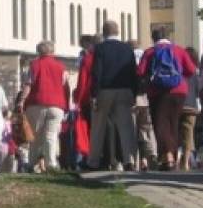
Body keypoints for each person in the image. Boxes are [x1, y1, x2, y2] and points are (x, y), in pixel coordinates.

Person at [138, 26, 197, 171]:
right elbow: (191, 70)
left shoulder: (150, 52)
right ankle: (172, 157)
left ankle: (168, 158)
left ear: (154, 38)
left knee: (160, 125)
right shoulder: (179, 50)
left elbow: (140, 71)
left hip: (157, 92)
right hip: (178, 92)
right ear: (168, 36)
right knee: (173, 123)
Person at [88, 21, 139, 171]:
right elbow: (133, 71)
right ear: (118, 32)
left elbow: (97, 72)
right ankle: (129, 160)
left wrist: (94, 94)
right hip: (125, 89)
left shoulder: (100, 48)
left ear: (104, 32)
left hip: (105, 90)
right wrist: (134, 93)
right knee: (126, 127)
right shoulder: (127, 48)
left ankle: (93, 161)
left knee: (98, 126)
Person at [21, 41, 69, 172]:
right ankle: (51, 164)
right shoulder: (61, 67)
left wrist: (22, 100)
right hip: (57, 105)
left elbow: (28, 84)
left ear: (38, 51)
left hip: (36, 103)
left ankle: (32, 164)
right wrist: (66, 104)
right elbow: (66, 87)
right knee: (51, 135)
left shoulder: (34, 65)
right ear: (53, 51)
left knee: (35, 137)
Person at [72, 35, 97, 166]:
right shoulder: (103, 57)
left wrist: (78, 99)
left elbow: (82, 82)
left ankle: (89, 157)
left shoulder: (87, 59)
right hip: (105, 96)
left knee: (89, 129)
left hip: (88, 98)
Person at [178, 46, 201, 171]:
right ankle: (186, 162)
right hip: (192, 106)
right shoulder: (195, 73)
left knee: (177, 134)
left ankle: (176, 158)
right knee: (188, 134)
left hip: (178, 105)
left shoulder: (179, 71)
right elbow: (198, 91)